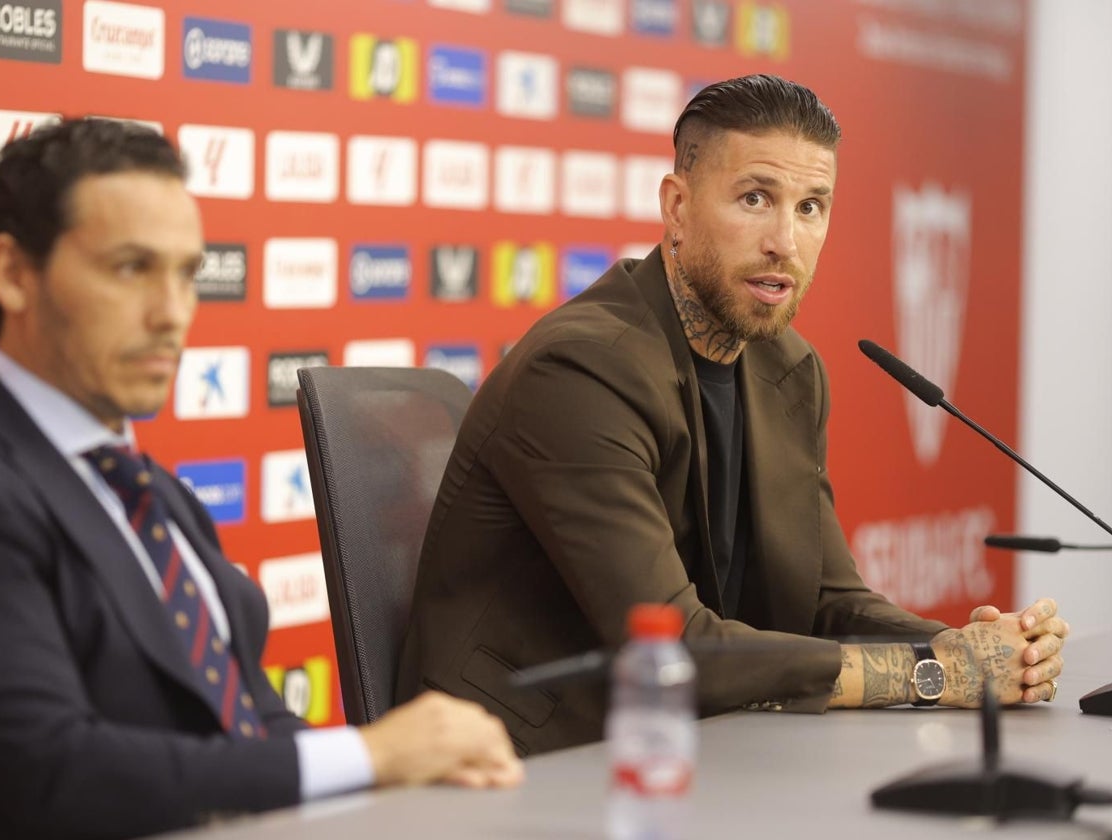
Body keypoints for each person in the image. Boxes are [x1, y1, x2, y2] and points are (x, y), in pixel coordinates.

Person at [395, 74, 1070, 756]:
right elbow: (674, 649)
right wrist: (934, 676)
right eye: (756, 199)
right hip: (521, 763)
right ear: (678, 207)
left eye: (811, 207)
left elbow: (827, 602)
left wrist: (969, 650)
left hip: (689, 750)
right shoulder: (579, 370)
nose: (787, 240)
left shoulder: (787, 371)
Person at [0, 118, 521, 840]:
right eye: (131, 268)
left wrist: (398, 786)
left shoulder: (151, 492)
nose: (172, 314)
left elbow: (248, 717)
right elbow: (56, 770)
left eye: (186, 273)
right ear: (13, 273)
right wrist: (369, 753)